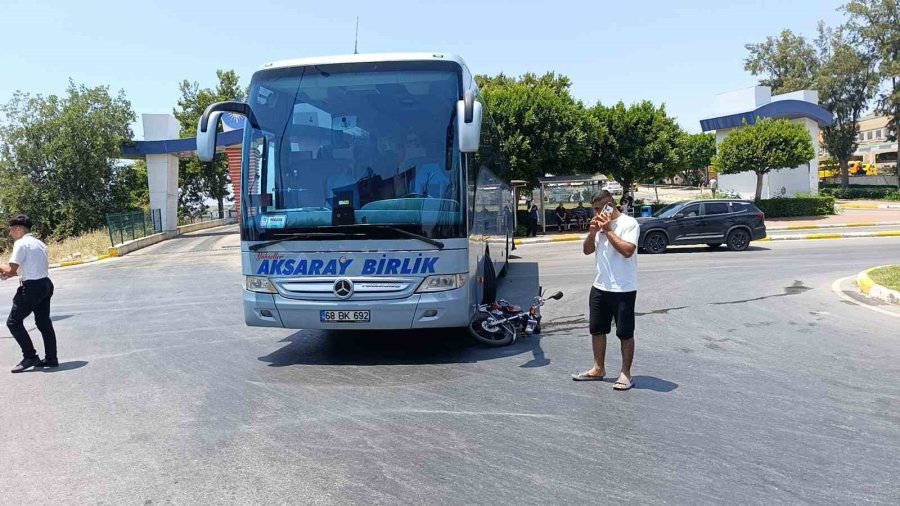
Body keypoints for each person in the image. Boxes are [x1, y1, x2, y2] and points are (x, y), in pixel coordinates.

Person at [573, 191, 640, 391]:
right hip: (600, 286)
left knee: (625, 333)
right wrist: (593, 232)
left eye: (598, 208)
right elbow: (586, 250)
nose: (595, 213)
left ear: (609, 205)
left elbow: (628, 251)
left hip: (623, 289)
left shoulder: (629, 223)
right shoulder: (598, 225)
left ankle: (625, 374)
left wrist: (608, 230)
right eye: (593, 209)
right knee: (597, 329)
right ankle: (598, 369)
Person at [1, 215, 58, 373]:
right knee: (43, 322)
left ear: (18, 229)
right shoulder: (39, 243)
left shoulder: (20, 243)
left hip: (32, 287)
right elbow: (21, 268)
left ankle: (30, 356)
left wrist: (2, 268)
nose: (10, 234)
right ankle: (52, 358)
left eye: (11, 231)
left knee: (13, 322)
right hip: (45, 284)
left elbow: (11, 270)